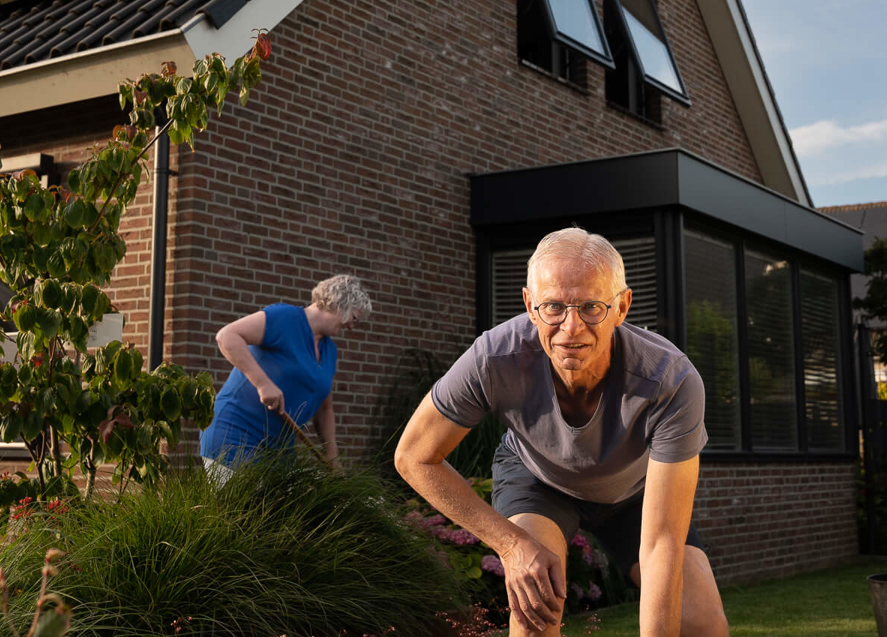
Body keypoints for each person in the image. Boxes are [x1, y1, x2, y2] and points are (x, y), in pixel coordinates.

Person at [395, 228, 728, 637]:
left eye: (591, 307)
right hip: (539, 480)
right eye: (553, 306)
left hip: (635, 491)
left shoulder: (670, 380)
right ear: (530, 306)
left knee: (701, 623)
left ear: (622, 307)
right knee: (534, 612)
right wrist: (512, 545)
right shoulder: (494, 358)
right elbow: (414, 456)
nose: (571, 327)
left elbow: (661, 544)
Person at [199, 274, 371, 478]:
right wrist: (263, 383)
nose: (351, 326)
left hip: (278, 450)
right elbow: (227, 336)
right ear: (339, 304)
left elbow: (325, 409)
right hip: (235, 435)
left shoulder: (329, 350)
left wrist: (332, 457)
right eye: (354, 318)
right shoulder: (285, 318)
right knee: (250, 500)